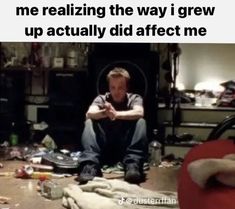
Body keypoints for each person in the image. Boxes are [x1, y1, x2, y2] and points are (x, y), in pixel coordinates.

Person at [78, 67, 148, 184]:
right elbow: (89, 113)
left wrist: (116, 114)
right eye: (113, 87)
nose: (116, 91)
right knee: (89, 121)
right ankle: (90, 165)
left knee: (141, 121)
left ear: (127, 87)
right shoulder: (102, 98)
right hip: (104, 147)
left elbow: (139, 112)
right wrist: (105, 112)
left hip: (125, 148)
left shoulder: (134, 98)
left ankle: (133, 165)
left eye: (120, 88)